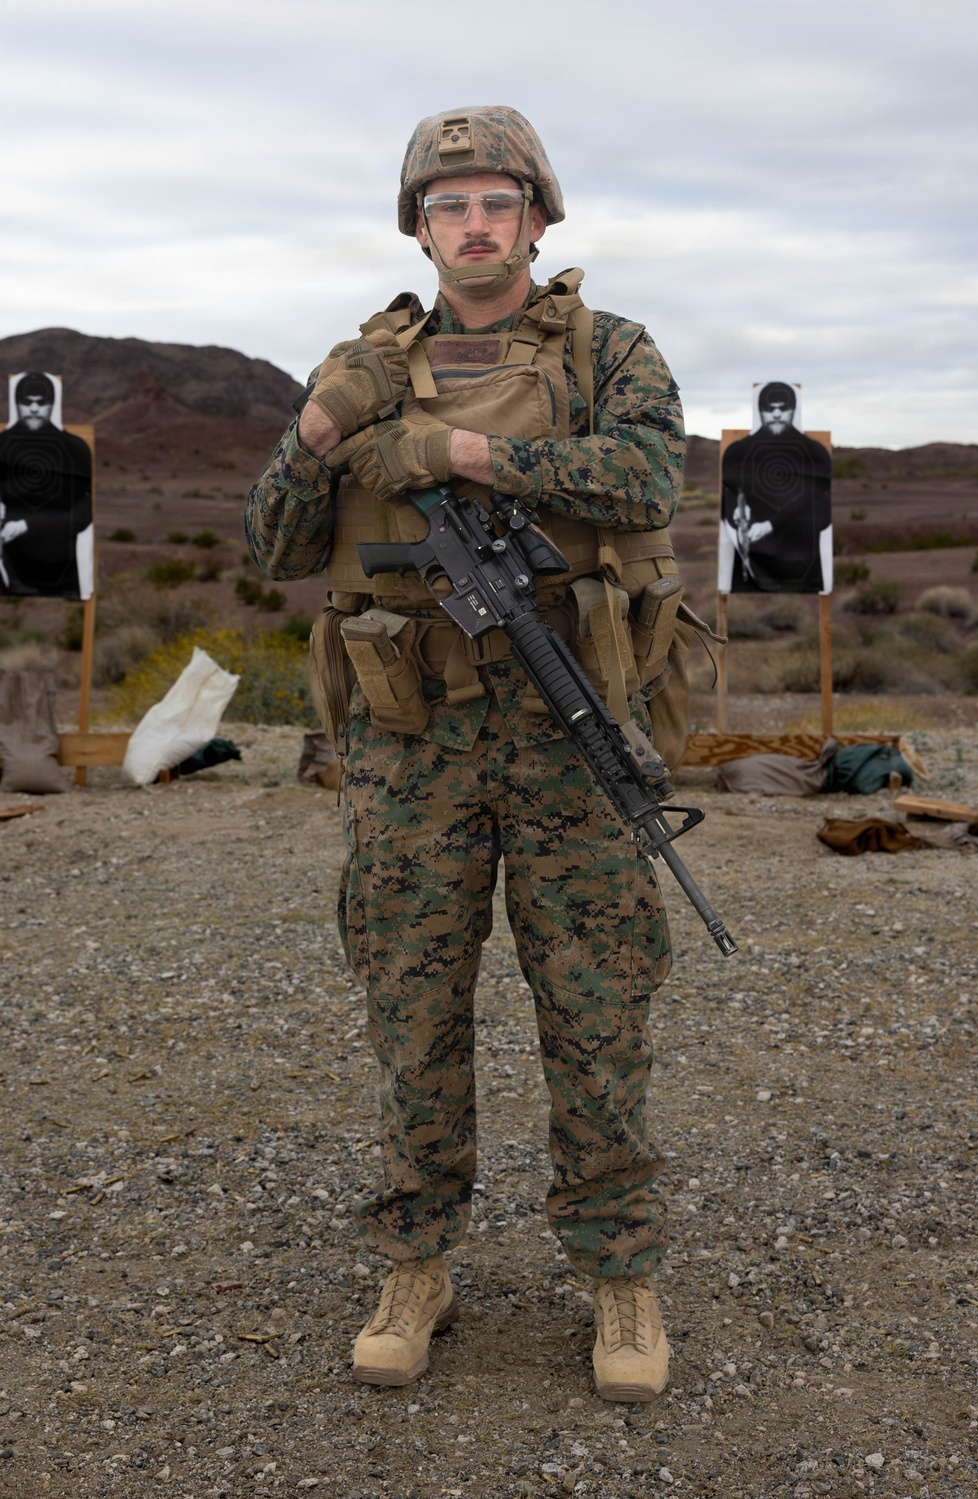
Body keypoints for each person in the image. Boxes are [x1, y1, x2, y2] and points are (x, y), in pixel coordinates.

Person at [246, 106, 686, 1402]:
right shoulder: (362, 359)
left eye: (498, 202)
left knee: (598, 1005)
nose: (476, 225)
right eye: (449, 206)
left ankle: (618, 1271)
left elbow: (651, 479)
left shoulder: (612, 349)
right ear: (418, 227)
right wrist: (329, 427)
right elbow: (272, 545)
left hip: (571, 732)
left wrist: (469, 452)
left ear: (539, 220)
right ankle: (416, 1258)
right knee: (413, 1012)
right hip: (411, 740)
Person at [719, 380, 832, 593]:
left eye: (783, 408)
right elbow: (728, 495)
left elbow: (821, 511)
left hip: (802, 567)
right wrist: (736, 509)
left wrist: (771, 524)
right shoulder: (738, 453)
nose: (777, 414)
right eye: (770, 409)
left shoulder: (815, 454)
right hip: (749, 566)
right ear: (760, 410)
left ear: (793, 409)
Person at [0, 372, 93, 597]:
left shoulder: (74, 448)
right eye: (27, 402)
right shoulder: (2, 445)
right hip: (10, 570)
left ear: (52, 404)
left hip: (61, 571)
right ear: (17, 403)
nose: (33, 409)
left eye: (41, 403)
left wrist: (29, 523)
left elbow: (84, 513)